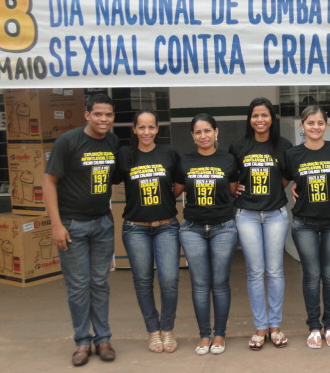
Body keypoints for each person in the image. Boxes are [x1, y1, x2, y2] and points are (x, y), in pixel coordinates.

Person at [42, 93, 119, 367]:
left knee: (99, 283)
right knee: (78, 286)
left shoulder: (112, 141)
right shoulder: (68, 142)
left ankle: (103, 339)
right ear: (87, 115)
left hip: (102, 222)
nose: (103, 119)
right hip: (72, 225)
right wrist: (56, 224)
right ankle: (82, 342)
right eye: (98, 114)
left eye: (108, 115)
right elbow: (49, 182)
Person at [116, 109, 181, 354]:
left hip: (166, 226)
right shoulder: (125, 155)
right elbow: (111, 180)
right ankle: (153, 331)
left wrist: (162, 201)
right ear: (134, 129)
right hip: (135, 229)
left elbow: (178, 184)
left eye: (151, 127)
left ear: (157, 129)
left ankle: (168, 329)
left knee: (170, 281)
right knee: (143, 282)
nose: (146, 132)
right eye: (141, 127)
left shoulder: (168, 153)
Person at [230, 98, 292, 349]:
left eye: (264, 115)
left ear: (272, 119)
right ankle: (260, 327)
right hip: (247, 215)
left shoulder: (283, 146)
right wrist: (237, 190)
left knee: (275, 270)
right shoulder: (239, 146)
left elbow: (288, 176)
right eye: (255, 115)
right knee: (255, 271)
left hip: (276, 214)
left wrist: (275, 190)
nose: (260, 120)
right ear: (249, 119)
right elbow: (232, 177)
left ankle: (275, 326)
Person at [175, 114, 238, 356]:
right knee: (200, 285)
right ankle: (204, 335)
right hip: (193, 229)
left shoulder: (228, 160)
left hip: (224, 227)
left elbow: (234, 190)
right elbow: (176, 189)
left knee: (220, 284)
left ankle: (219, 334)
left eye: (207, 131)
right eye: (198, 132)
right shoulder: (185, 162)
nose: (203, 136)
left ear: (216, 132)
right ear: (192, 135)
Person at [284, 106, 330, 349]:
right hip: (304, 222)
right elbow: (290, 180)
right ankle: (313, 328)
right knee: (311, 276)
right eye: (310, 123)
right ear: (302, 126)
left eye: (320, 123)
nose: (315, 127)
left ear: (325, 125)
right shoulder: (293, 154)